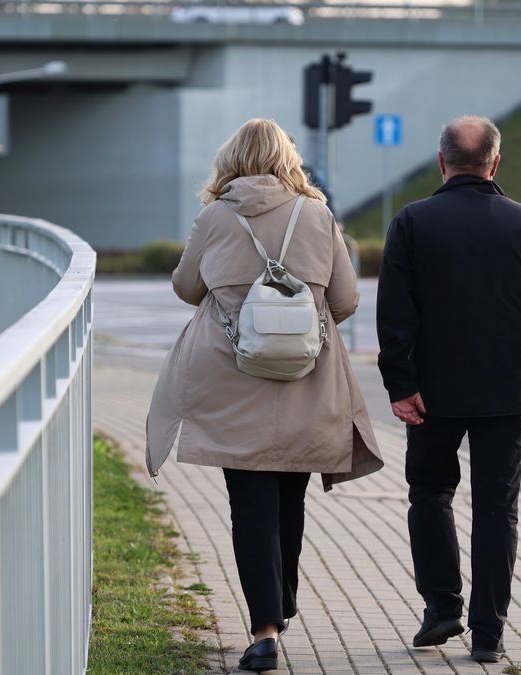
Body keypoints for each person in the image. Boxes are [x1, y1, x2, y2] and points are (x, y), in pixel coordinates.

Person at [145, 118, 384, 672]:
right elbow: (346, 300)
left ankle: (266, 629)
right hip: (306, 378)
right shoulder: (318, 215)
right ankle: (281, 601)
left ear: (231, 160)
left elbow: (186, 288)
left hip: (232, 380)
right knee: (290, 498)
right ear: (288, 159)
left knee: (250, 507)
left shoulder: (215, 215)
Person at [376, 115, 521, 663]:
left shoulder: (412, 222)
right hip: (504, 395)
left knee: (430, 493)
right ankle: (489, 634)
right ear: (495, 163)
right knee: (498, 509)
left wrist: (401, 383)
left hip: (431, 396)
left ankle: (442, 607)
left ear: (441, 162)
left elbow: (394, 315)